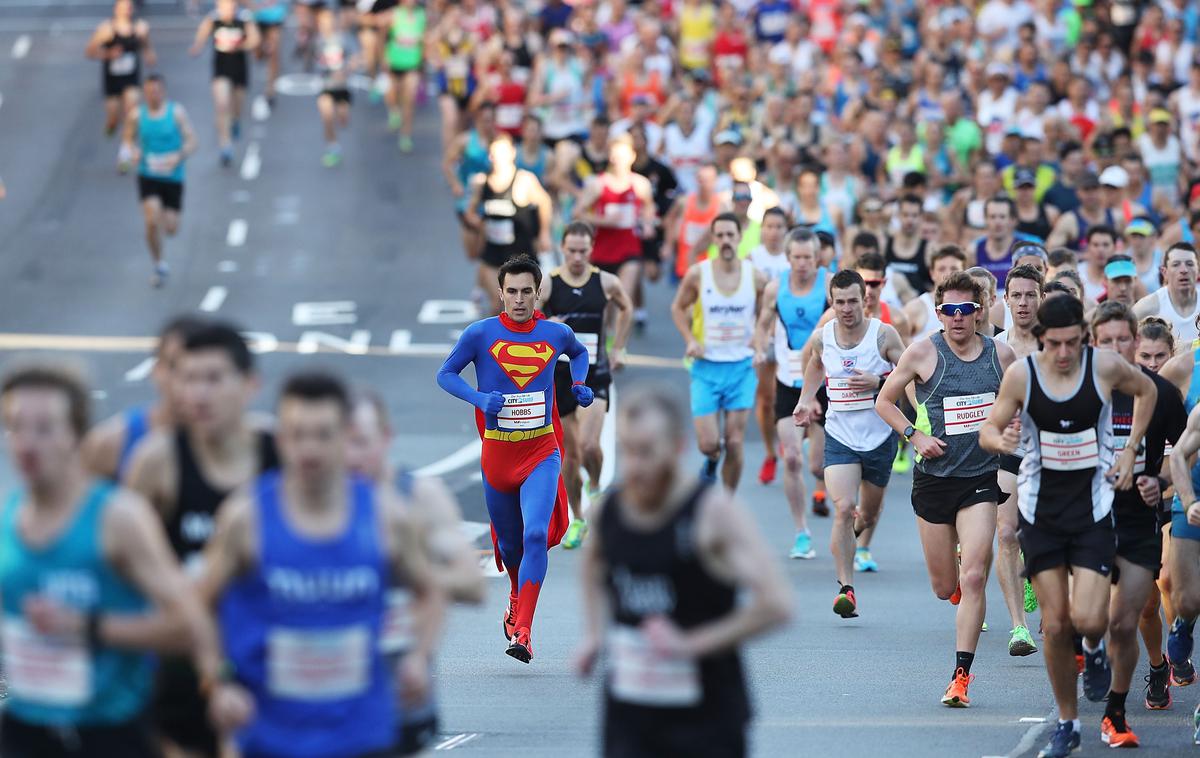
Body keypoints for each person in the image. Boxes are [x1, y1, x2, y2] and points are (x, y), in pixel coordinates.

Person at [196, 372, 443, 758]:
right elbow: (200, 605)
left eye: (323, 435)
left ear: (345, 437)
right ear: (280, 440)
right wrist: (218, 681)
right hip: (270, 735)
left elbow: (429, 591)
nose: (309, 450)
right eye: (297, 435)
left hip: (361, 733)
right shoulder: (245, 518)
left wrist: (417, 656)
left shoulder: (386, 516)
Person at [0, 361, 222, 758]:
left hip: (108, 733)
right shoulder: (7, 518)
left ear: (76, 435)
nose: (27, 443)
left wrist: (87, 626)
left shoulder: (118, 517)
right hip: (25, 729)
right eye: (15, 427)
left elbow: (188, 625)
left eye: (45, 428)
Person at [980, 295, 1155, 758]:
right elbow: (988, 432)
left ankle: (1094, 650)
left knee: (1091, 620)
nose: (1063, 353)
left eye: (1072, 343)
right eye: (1054, 344)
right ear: (1041, 340)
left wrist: (1129, 447)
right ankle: (1068, 722)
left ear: (1084, 337)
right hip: (1040, 514)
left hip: (1093, 510)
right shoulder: (1023, 375)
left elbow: (1148, 391)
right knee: (1056, 626)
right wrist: (1005, 438)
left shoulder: (1104, 367)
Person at [574, 383, 792, 757]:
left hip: (705, 719)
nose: (635, 467)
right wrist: (594, 635)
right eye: (627, 451)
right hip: (629, 714)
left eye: (646, 453)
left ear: (676, 448)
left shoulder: (712, 514)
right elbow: (592, 565)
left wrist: (692, 644)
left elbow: (776, 604)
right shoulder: (608, 513)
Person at [124, 322, 279, 757]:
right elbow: (124, 559)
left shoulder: (280, 452)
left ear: (249, 384)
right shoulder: (157, 461)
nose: (198, 394)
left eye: (213, 379)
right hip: (183, 658)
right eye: (189, 379)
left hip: (271, 652)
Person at [437, 255, 593, 662]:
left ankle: (522, 631)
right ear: (500, 293)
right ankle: (514, 597)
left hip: (541, 451)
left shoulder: (555, 333)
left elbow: (578, 353)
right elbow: (446, 374)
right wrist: (479, 398)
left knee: (536, 535)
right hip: (498, 458)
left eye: (527, 291)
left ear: (538, 292)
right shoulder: (480, 333)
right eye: (512, 292)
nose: (520, 300)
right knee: (510, 547)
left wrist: (578, 384)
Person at [876, 271, 1016, 706]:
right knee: (945, 587)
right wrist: (914, 437)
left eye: (966, 310)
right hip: (934, 481)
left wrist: (1012, 426)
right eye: (949, 311)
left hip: (981, 479)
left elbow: (1021, 402)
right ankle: (953, 573)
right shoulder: (922, 353)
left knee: (974, 576)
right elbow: (884, 401)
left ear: (979, 312)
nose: (958, 318)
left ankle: (960, 677)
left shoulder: (1001, 356)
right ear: (939, 314)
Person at [345, 389, 485, 755]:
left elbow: (472, 583)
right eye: (340, 442)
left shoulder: (418, 497)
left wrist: (411, 575)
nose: (350, 456)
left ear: (386, 438)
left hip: (399, 686)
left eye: (361, 443)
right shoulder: (306, 498)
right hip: (325, 689)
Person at [1081, 302, 1185, 747]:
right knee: (1090, 617)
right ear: (1094, 344)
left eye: (1126, 340)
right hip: (1085, 516)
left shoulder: (1161, 394)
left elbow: (1186, 451)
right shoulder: (1077, 392)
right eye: (1107, 341)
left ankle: (1119, 710)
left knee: (1134, 615)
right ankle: (1089, 649)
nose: (1120, 349)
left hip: (1141, 513)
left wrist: (1159, 479)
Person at [794, 269, 906, 618]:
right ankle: (846, 589)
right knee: (843, 508)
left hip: (879, 437)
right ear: (832, 302)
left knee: (867, 514)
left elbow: (909, 373)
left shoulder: (883, 335)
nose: (846, 308)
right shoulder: (821, 338)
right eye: (839, 302)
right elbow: (814, 366)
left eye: (852, 301)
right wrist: (806, 398)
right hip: (839, 435)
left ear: (864, 300)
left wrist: (882, 379)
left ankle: (853, 537)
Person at [539, 221, 634, 548]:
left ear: (592, 250)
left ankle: (595, 485)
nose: (577, 257)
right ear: (562, 248)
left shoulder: (606, 282)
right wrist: (546, 324)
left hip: (594, 373)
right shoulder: (549, 285)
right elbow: (526, 319)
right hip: (560, 376)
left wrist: (618, 346)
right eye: (572, 250)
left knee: (591, 445)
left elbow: (627, 308)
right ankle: (578, 516)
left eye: (583, 250)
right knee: (570, 454)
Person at [670, 212, 767, 490]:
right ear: (713, 239)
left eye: (730, 235)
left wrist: (759, 338)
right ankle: (711, 461)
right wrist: (689, 338)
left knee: (735, 442)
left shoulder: (755, 277)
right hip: (706, 366)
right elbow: (677, 308)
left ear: (739, 238)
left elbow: (767, 312)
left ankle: (726, 501)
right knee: (709, 444)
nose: (725, 241)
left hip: (741, 367)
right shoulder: (699, 274)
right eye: (720, 235)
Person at [752, 228, 830, 558]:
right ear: (788, 258)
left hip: (825, 384)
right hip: (788, 382)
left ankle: (827, 490)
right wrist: (759, 347)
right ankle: (801, 532)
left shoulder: (828, 284)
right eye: (796, 257)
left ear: (817, 258)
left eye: (808, 258)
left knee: (817, 466)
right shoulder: (776, 288)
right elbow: (762, 325)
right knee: (794, 459)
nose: (802, 264)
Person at [82, 315, 204, 482]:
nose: (186, 378)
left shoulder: (246, 446)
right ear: (156, 371)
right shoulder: (111, 443)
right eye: (175, 366)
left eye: (202, 371)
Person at [993, 264, 1044, 656]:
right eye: (1017, 296)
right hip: (1010, 451)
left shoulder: (1056, 343)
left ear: (1041, 298)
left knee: (1046, 534)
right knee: (1006, 532)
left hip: (1053, 454)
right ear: (1004, 300)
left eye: (1031, 294)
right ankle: (1018, 628)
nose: (1023, 303)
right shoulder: (991, 345)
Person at [120, 73, 197, 288]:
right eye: (150, 91)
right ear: (145, 93)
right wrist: (130, 155)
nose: (154, 95)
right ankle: (158, 263)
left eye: (157, 91)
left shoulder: (177, 113)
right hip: (148, 174)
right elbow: (127, 140)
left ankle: (165, 222)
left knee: (171, 228)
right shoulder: (137, 116)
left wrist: (179, 155)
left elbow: (193, 142)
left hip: (172, 176)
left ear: (164, 92)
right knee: (151, 219)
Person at [464, 133, 554, 315]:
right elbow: (470, 212)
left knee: (526, 309)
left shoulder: (524, 180)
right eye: (494, 154)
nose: (498, 159)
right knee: (498, 306)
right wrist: (479, 225)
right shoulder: (482, 183)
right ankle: (497, 342)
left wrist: (544, 233)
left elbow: (545, 202)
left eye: (502, 153)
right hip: (493, 255)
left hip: (522, 255)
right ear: (490, 156)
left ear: (512, 153)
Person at [573, 134, 657, 311]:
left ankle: (621, 339)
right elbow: (578, 213)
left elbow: (649, 208)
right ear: (610, 157)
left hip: (630, 249)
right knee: (606, 303)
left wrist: (647, 223)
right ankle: (609, 336)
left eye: (622, 155)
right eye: (615, 155)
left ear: (632, 156)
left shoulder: (641, 184)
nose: (618, 160)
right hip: (603, 250)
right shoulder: (598, 184)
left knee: (623, 298)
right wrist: (602, 220)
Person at [750, 207, 796, 485]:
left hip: (789, 337)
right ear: (762, 229)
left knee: (787, 393)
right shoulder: (753, 258)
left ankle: (787, 436)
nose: (774, 231)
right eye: (770, 226)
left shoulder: (794, 258)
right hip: (763, 335)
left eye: (780, 226)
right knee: (766, 399)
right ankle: (770, 453)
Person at [189, 0, 260, 168]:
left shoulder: (244, 19)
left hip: (239, 69)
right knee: (222, 105)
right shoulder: (213, 20)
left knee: (236, 106)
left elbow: (255, 39)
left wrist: (241, 45)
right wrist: (197, 47)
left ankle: (235, 120)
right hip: (221, 70)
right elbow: (202, 34)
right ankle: (225, 145)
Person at [85, 0, 155, 140]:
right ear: (116, 9)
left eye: (129, 7)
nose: (126, 10)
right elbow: (89, 52)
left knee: (131, 112)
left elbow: (147, 49)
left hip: (131, 78)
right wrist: (108, 54)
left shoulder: (139, 28)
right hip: (113, 80)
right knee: (113, 118)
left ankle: (127, 147)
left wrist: (149, 56)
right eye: (123, 7)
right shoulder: (107, 29)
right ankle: (111, 126)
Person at [1132, 242, 1200, 349]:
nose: (1184, 270)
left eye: (1190, 264)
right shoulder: (1147, 307)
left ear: (1198, 271)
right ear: (1164, 272)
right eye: (1176, 264)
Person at [382, 0, 425, 153]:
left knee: (409, 100)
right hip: (395, 61)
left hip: (412, 64)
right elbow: (383, 36)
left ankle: (406, 135)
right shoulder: (393, 14)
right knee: (392, 94)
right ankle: (394, 111)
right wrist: (384, 56)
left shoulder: (422, 15)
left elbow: (426, 38)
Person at [315, 9, 356, 168]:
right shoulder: (317, 40)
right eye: (323, 23)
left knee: (343, 119)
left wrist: (345, 71)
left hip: (342, 87)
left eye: (329, 22)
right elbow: (311, 60)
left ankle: (340, 125)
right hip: (325, 86)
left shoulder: (344, 39)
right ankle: (332, 147)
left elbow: (355, 58)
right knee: (327, 116)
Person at [903, 245, 968, 341]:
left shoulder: (974, 307)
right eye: (942, 269)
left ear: (964, 272)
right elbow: (903, 350)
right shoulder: (916, 307)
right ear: (932, 273)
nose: (948, 274)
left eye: (954, 269)